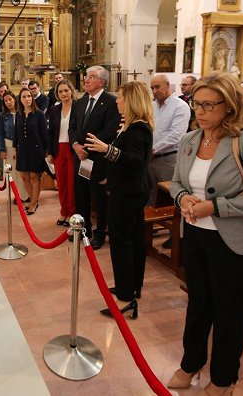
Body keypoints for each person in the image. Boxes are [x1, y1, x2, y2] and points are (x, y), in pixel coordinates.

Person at [166, 72, 243, 395]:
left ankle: (223, 378)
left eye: (207, 105)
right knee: (198, 304)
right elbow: (176, 183)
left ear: (229, 106)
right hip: (196, 237)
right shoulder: (190, 140)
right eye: (195, 103)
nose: (199, 111)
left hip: (234, 243)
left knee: (230, 312)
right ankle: (190, 364)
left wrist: (215, 207)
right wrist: (182, 198)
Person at [85, 81, 153, 318]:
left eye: (122, 97)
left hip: (128, 193)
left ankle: (125, 297)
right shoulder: (130, 126)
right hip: (127, 189)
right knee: (132, 240)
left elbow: (135, 160)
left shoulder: (138, 129)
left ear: (132, 101)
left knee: (122, 243)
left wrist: (107, 149)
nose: (117, 101)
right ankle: (132, 286)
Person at [69, 65, 121, 249]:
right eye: (86, 77)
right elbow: (72, 128)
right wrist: (76, 146)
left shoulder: (111, 102)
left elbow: (109, 132)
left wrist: (87, 149)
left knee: (99, 199)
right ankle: (84, 230)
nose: (86, 80)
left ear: (102, 81)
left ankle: (100, 233)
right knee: (81, 196)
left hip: (98, 159)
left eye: (91, 77)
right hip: (80, 157)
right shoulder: (81, 101)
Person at [149, 74, 191, 206]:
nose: (155, 91)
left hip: (168, 159)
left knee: (169, 198)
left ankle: (170, 226)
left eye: (157, 87)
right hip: (150, 158)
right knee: (151, 196)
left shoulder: (180, 106)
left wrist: (153, 149)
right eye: (152, 88)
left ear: (168, 85)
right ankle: (150, 225)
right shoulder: (152, 106)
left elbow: (176, 135)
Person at [47, 79, 77, 227]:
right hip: (58, 149)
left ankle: (72, 213)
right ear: (57, 94)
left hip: (73, 149)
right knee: (62, 182)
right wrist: (50, 152)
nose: (64, 93)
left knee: (72, 183)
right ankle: (64, 211)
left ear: (71, 90)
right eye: (60, 91)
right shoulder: (54, 109)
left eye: (66, 90)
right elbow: (51, 132)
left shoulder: (78, 107)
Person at [13, 88, 48, 215]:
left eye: (29, 96)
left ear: (32, 98)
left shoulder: (39, 114)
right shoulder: (19, 114)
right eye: (24, 97)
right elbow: (16, 133)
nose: (27, 99)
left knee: (34, 176)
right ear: (20, 99)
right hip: (22, 149)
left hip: (36, 149)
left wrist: (45, 152)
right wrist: (15, 148)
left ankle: (33, 203)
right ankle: (34, 199)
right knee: (24, 176)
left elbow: (44, 134)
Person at [0, 91, 29, 203]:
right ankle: (18, 195)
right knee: (14, 173)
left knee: (24, 172)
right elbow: (0, 134)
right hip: (9, 146)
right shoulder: (2, 116)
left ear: (15, 99)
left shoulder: (22, 113)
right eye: (6, 101)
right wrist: (2, 150)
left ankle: (26, 194)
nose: (8, 102)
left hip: (22, 146)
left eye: (10, 99)